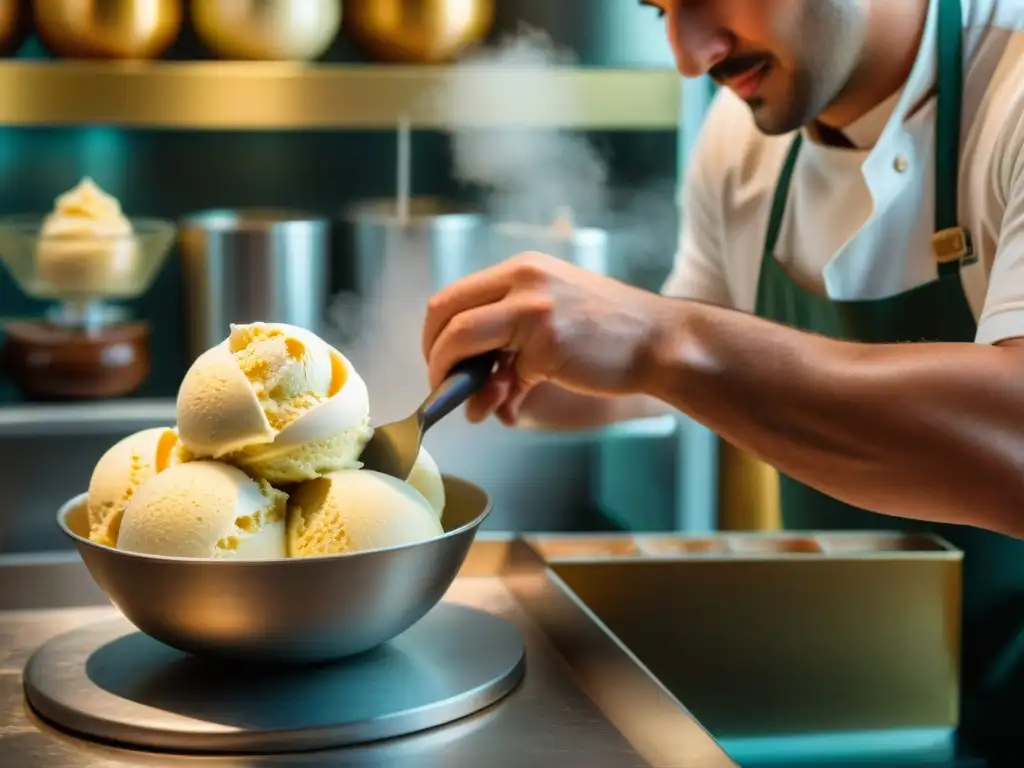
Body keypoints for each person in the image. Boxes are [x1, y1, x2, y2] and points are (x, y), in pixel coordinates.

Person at [422, 0, 1024, 758]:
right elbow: (720, 354)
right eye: (661, 9)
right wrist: (576, 370)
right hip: (841, 701)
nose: (688, 54)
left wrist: (656, 341)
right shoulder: (743, 137)